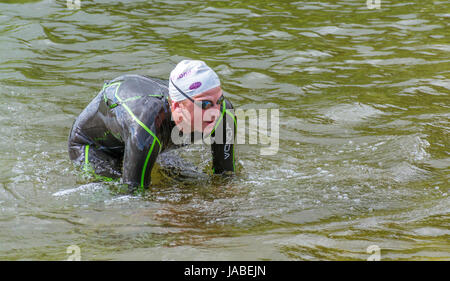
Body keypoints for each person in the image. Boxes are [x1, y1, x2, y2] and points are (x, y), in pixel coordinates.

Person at [68, 60, 237, 191]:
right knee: (110, 194)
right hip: (94, 146)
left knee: (195, 186)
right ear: (178, 106)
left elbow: (225, 177)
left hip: (142, 141)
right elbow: (133, 194)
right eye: (205, 104)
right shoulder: (146, 125)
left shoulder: (224, 115)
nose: (215, 111)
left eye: (219, 101)